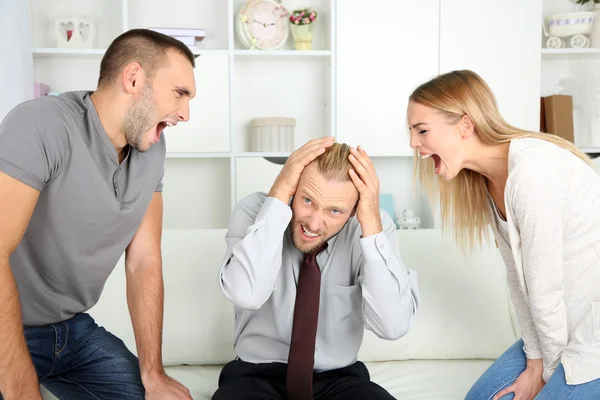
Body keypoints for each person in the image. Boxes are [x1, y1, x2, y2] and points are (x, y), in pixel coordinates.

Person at [0, 29, 197, 400]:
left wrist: (152, 372)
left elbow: (144, 261)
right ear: (134, 78)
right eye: (180, 93)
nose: (185, 113)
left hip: (72, 333)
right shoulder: (42, 124)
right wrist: (20, 388)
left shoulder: (151, 149)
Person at [407, 69, 600, 400]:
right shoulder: (490, 181)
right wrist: (535, 360)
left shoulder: (533, 174)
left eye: (422, 130)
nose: (414, 144)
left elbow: (545, 287)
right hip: (561, 323)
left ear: (466, 126)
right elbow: (519, 281)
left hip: (591, 327)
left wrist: (545, 376)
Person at [213, 138, 420, 400]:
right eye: (307, 200)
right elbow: (246, 294)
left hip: (339, 378)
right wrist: (278, 198)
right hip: (255, 377)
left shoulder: (370, 227)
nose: (314, 222)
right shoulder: (254, 212)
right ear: (293, 187)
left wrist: (370, 224)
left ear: (354, 210)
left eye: (334, 211)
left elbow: (392, 326)